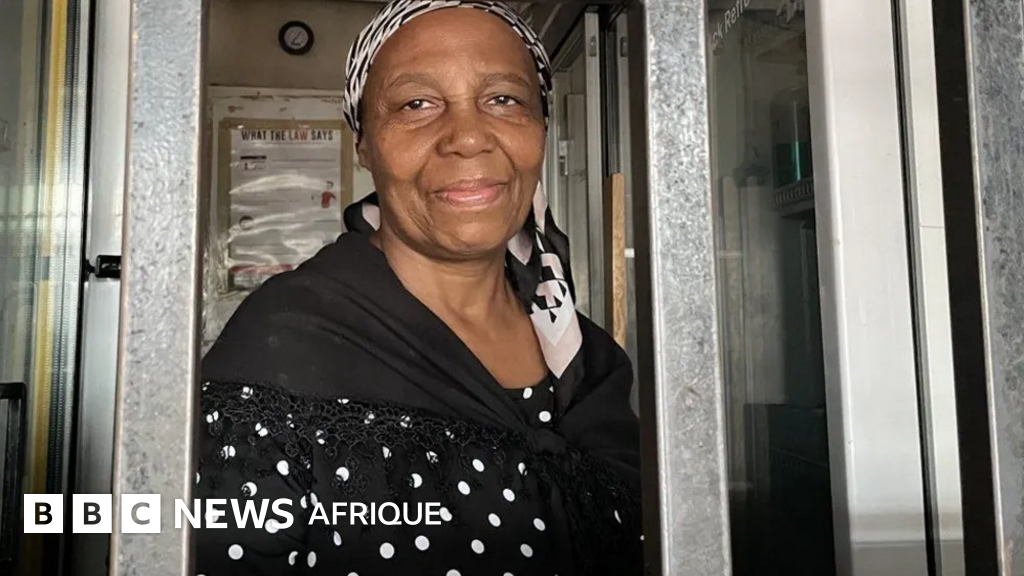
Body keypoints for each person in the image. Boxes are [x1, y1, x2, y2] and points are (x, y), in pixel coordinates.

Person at [194, 2, 643, 575]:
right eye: (416, 104)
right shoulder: (282, 348)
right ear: (364, 144)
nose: (468, 137)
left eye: (504, 99)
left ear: (541, 129)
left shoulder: (586, 357)